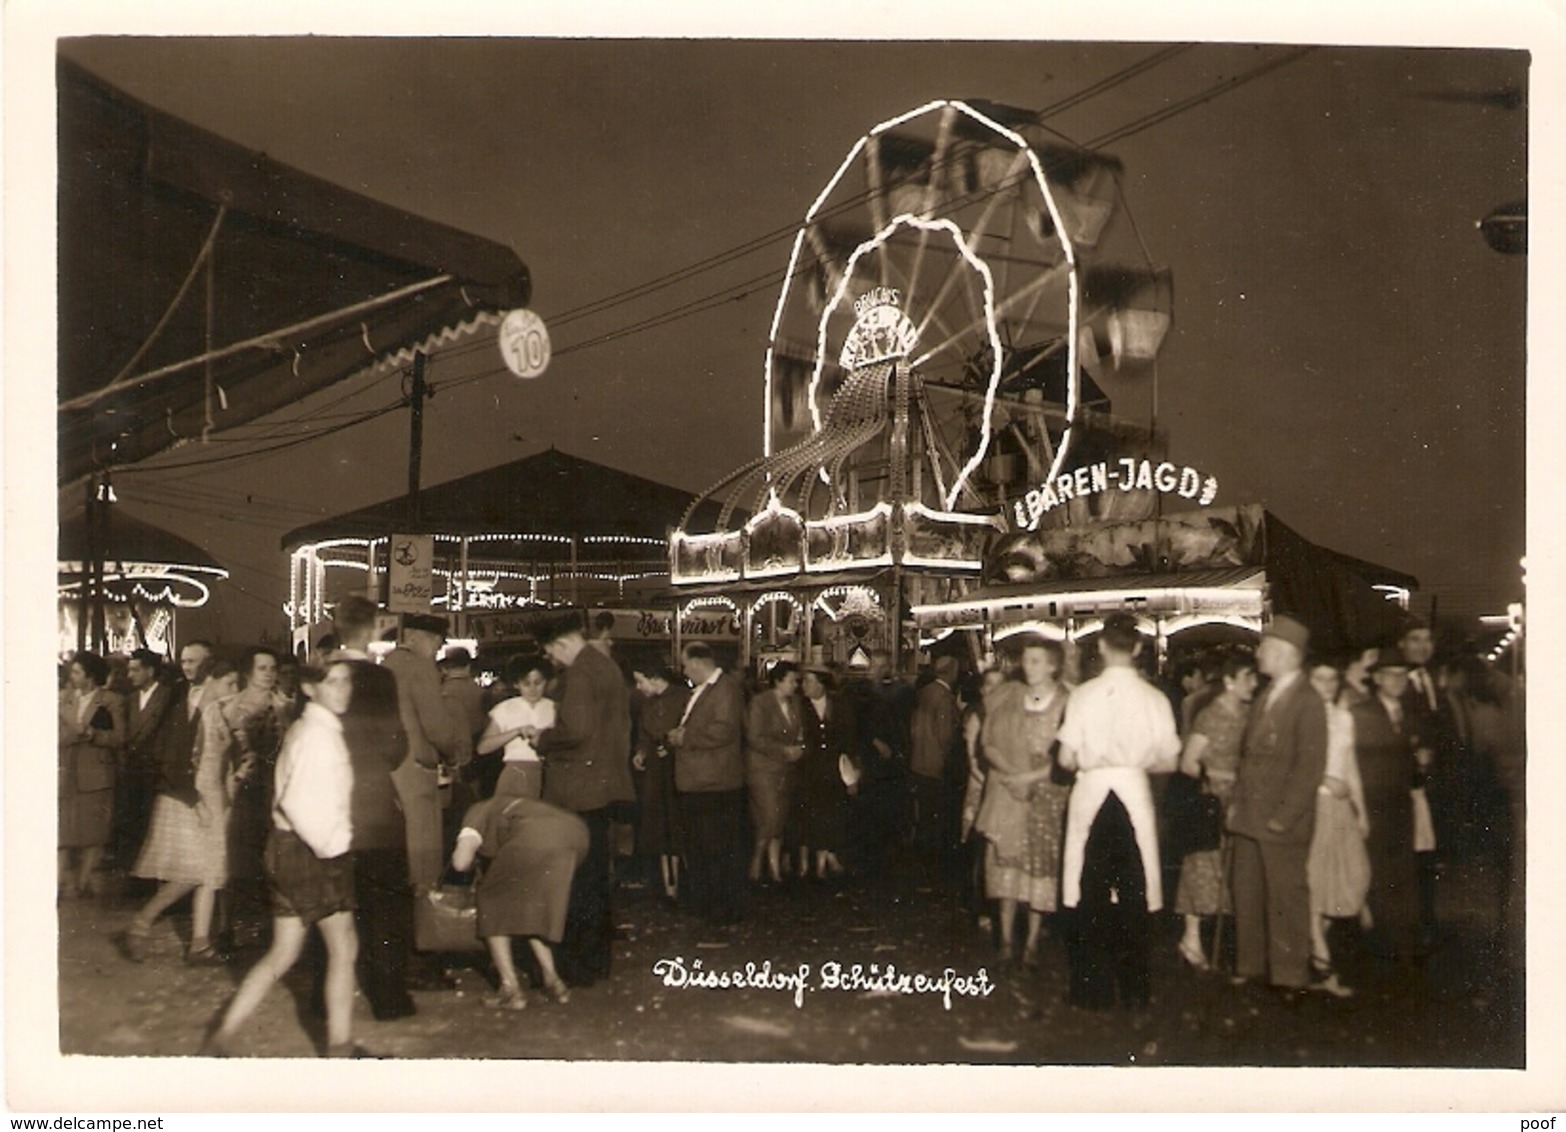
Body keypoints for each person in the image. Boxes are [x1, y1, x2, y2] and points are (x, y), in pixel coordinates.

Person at [203, 663, 363, 1058]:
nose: (343, 690)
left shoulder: (308, 729)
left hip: (286, 848)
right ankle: (341, 1049)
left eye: (347, 681)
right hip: (312, 851)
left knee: (283, 952)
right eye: (332, 682)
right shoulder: (318, 737)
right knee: (344, 947)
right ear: (311, 688)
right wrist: (333, 848)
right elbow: (299, 804)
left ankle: (222, 1037)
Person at [1056, 615, 1180, 1010]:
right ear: (1139, 648)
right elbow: (1169, 761)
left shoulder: (1082, 696)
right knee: (1135, 887)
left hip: (1091, 790)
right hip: (1133, 789)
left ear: (1103, 648)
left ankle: (1090, 989)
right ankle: (1135, 989)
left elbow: (1065, 758)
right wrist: (1134, 764)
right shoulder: (1155, 698)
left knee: (1087, 887)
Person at [1227, 615, 1328, 999]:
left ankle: (1289, 975)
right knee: (1247, 891)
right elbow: (1247, 759)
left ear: (1287, 654)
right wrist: (1236, 806)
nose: (1258, 654)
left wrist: (1284, 818)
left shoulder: (1308, 702)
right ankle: (1250, 966)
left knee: (1286, 897)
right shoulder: (1266, 694)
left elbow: (1309, 768)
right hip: (1251, 815)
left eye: (1265, 647)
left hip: (1281, 821)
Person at [533, 615, 635, 985]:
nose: (553, 661)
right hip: (604, 783)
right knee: (593, 875)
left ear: (560, 644)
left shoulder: (579, 672)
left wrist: (542, 739)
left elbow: (575, 729)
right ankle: (596, 961)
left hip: (577, 787)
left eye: (551, 653)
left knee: (575, 878)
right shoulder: (606, 666)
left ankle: (577, 965)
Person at [116, 661, 240, 965]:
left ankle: (198, 943)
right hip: (185, 797)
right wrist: (195, 801)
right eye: (229, 684)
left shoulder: (217, 713)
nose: (233, 691)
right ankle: (141, 923)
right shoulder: (189, 710)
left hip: (207, 797)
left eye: (237, 685)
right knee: (193, 873)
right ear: (211, 680)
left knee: (207, 871)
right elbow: (172, 759)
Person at [327, 595, 414, 1020]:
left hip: (328, 806)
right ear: (374, 628)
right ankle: (389, 998)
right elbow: (397, 745)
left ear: (337, 625)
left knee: (332, 904)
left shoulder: (321, 677)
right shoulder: (382, 680)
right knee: (385, 905)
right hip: (376, 805)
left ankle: (325, 1001)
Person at [450, 779, 589, 1010]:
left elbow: (460, 862)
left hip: (535, 838)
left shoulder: (476, 812)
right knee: (532, 907)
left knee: (490, 900)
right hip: (576, 834)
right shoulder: (515, 805)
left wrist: (468, 851)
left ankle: (510, 990)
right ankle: (554, 981)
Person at [974, 636, 1070, 967]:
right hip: (1007, 793)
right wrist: (1011, 773)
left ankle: (1031, 941)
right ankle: (1005, 938)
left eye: (1036, 661)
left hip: (1046, 796)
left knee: (1039, 871)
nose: (1027, 668)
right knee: (1006, 869)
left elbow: (1067, 758)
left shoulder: (1065, 702)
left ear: (1053, 665)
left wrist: (1028, 779)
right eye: (1026, 661)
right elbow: (987, 743)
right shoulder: (1009, 696)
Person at [1172, 655, 1258, 971]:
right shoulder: (1210, 716)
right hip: (1213, 801)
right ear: (1230, 681)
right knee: (1202, 867)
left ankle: (1224, 941)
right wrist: (1216, 777)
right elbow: (1188, 762)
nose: (1254, 684)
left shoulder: (1250, 713)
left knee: (1231, 868)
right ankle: (1191, 939)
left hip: (1242, 799)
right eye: (1248, 678)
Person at [382, 614, 472, 897]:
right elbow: (436, 726)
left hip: (390, 766)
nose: (437, 648)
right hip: (418, 764)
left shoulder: (387, 665)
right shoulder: (421, 667)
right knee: (424, 844)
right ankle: (424, 911)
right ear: (414, 636)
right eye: (434, 640)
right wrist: (453, 753)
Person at [667, 641, 749, 925]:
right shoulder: (704, 690)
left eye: (687, 665)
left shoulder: (725, 690)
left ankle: (722, 908)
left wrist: (684, 738)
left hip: (714, 782)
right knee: (701, 847)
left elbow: (723, 731)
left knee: (716, 848)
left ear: (699, 663)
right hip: (698, 781)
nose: (685, 671)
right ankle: (705, 904)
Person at [1304, 657, 1370, 999]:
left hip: (1341, 810)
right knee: (1315, 886)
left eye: (1333, 679)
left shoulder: (1344, 718)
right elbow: (1288, 767)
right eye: (1320, 679)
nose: (1327, 686)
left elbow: (1351, 766)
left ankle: (1312, 952)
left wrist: (1361, 810)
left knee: (1351, 880)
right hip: (1312, 806)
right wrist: (1326, 779)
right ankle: (1323, 964)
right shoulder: (1299, 717)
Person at [1351, 653, 1422, 966]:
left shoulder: (1407, 714)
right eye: (1390, 675)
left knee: (1402, 870)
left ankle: (1401, 941)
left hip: (1400, 804)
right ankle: (1381, 943)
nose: (1397, 681)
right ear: (1376, 678)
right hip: (1372, 803)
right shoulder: (1361, 713)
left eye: (1402, 676)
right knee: (1377, 869)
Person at [59, 652, 125, 900]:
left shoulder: (110, 701)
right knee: (64, 831)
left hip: (96, 775)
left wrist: (92, 734)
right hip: (67, 772)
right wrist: (75, 734)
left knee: (93, 834)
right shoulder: (63, 699)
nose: (72, 677)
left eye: (77, 672)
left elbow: (119, 738)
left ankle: (82, 882)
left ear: (90, 676)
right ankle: (60, 881)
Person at [792, 663, 857, 882]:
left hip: (831, 767)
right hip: (806, 769)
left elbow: (848, 737)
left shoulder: (838, 705)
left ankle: (822, 862)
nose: (805, 686)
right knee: (806, 814)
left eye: (810, 681)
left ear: (821, 684)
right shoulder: (799, 706)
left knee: (830, 813)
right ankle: (805, 863)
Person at [630, 659, 689, 901]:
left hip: (678, 769)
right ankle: (666, 883)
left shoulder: (683, 697)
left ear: (653, 678)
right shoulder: (648, 704)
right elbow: (645, 734)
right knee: (659, 823)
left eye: (640, 681)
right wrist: (641, 751)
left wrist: (672, 748)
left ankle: (679, 880)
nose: (638, 687)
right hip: (656, 769)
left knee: (676, 822)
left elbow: (689, 731)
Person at [112, 648, 172, 883]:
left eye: (135, 669)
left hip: (153, 770)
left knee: (151, 824)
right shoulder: (130, 699)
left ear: (150, 671)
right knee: (132, 824)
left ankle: (147, 879)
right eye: (129, 669)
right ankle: (134, 876)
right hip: (132, 771)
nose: (130, 675)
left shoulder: (168, 696)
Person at [744, 661, 804, 885]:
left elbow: (801, 732)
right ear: (778, 681)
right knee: (770, 815)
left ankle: (773, 867)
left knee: (779, 817)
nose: (795, 685)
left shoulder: (796, 703)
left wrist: (799, 747)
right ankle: (757, 859)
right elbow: (755, 737)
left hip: (786, 768)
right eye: (791, 681)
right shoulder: (760, 703)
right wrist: (783, 750)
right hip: (762, 768)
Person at [958, 667, 1007, 928]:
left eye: (1000, 685)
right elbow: (972, 758)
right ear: (982, 688)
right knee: (980, 847)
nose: (994, 690)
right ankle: (980, 906)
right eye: (990, 685)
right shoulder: (977, 715)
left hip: (1002, 787)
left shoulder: (1009, 713)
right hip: (982, 788)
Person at [474, 655, 555, 802]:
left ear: (546, 682)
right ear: (516, 684)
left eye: (538, 683)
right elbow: (482, 748)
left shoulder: (554, 708)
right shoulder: (505, 709)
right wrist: (516, 732)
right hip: (516, 773)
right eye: (526, 683)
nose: (533, 689)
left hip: (550, 774)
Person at [909, 654, 963, 870]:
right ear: (952, 672)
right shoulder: (944, 697)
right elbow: (945, 736)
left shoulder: (924, 692)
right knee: (936, 815)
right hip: (936, 764)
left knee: (924, 813)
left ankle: (922, 856)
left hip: (918, 760)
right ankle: (933, 861)